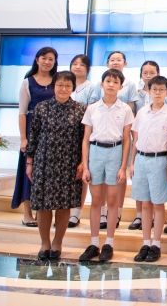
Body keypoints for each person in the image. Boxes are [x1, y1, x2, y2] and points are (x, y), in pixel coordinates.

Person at [25, 70, 87, 261]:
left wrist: (83, 162)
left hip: (69, 163)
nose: (63, 89)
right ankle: (45, 243)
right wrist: (30, 162)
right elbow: (33, 136)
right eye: (60, 85)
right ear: (53, 86)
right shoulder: (41, 108)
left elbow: (84, 139)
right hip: (44, 162)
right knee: (43, 205)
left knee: (64, 205)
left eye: (68, 85)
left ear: (73, 88)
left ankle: (58, 242)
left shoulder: (80, 110)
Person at [78, 69, 134, 262]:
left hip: (115, 152)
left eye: (115, 82)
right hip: (96, 152)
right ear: (102, 84)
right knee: (96, 200)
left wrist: (123, 167)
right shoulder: (92, 108)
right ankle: (94, 243)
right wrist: (86, 166)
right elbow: (86, 139)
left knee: (112, 200)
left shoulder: (125, 109)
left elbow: (127, 140)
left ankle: (109, 243)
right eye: (108, 81)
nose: (111, 84)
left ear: (121, 86)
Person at [130, 75, 167, 263]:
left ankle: (156, 244)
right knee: (145, 203)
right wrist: (132, 162)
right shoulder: (142, 112)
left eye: (162, 90)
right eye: (154, 89)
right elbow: (136, 139)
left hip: (160, 160)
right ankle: (145, 242)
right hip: (141, 159)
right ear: (148, 91)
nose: (157, 93)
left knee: (158, 203)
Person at [13, 46, 58, 227]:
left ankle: (42, 214)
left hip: (52, 132)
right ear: (37, 60)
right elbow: (22, 112)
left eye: (51, 59)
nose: (47, 62)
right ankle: (27, 214)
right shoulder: (28, 82)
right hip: (32, 131)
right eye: (44, 58)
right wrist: (23, 138)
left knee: (47, 173)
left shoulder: (57, 81)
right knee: (28, 172)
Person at [96, 51, 139, 230]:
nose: (115, 62)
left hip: (120, 135)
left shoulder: (130, 85)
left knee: (119, 177)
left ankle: (117, 212)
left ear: (125, 63)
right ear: (107, 63)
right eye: (112, 60)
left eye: (118, 60)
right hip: (101, 137)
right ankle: (102, 213)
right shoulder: (100, 83)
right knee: (101, 179)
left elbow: (131, 108)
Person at [68, 54, 99, 229]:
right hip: (65, 135)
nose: (77, 67)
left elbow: (90, 113)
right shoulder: (66, 83)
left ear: (88, 68)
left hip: (83, 132)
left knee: (82, 171)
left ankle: (77, 212)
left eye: (81, 64)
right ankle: (64, 209)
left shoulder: (92, 88)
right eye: (74, 64)